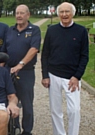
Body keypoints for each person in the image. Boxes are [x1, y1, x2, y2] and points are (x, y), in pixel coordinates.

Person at [41, 2, 89, 135]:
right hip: (54, 75)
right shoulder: (52, 30)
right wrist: (45, 75)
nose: (64, 14)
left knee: (74, 110)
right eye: (61, 12)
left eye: (67, 11)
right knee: (55, 110)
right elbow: (45, 54)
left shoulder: (81, 31)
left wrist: (77, 76)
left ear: (72, 13)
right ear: (58, 14)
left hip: (72, 77)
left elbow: (84, 56)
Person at [2, 4, 41, 135]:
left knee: (27, 103)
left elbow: (34, 49)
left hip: (26, 72)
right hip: (9, 71)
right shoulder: (10, 30)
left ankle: (27, 130)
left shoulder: (34, 30)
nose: (19, 16)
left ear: (28, 15)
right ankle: (14, 127)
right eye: (17, 13)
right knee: (11, 100)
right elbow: (4, 50)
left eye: (22, 13)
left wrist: (20, 64)